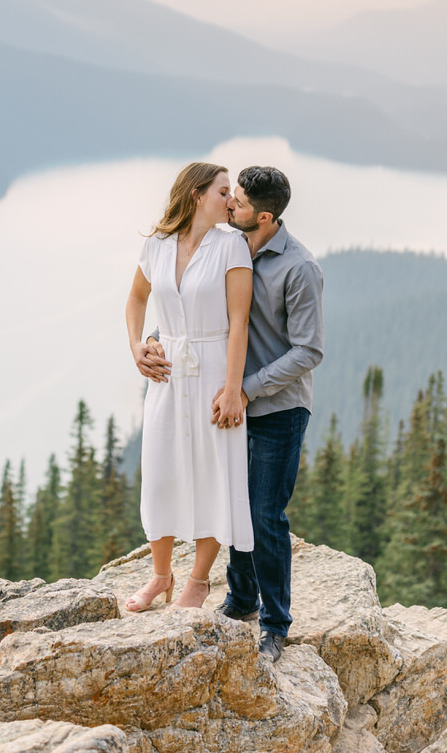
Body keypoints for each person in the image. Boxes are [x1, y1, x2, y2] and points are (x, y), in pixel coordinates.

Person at [137, 165, 322, 663]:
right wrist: (155, 340)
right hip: (223, 398)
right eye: (228, 195)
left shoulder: (298, 268)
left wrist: (243, 388)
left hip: (277, 405)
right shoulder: (225, 247)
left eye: (237, 202)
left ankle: (275, 624)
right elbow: (191, 308)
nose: (230, 205)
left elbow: (308, 351)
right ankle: (240, 599)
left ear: (262, 217)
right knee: (230, 499)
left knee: (263, 514)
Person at [123, 162, 255, 612]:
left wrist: (234, 389)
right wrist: (138, 345)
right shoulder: (158, 245)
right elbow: (136, 299)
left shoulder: (232, 246)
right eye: (223, 192)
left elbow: (240, 323)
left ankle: (197, 582)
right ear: (197, 195)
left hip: (215, 369)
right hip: (167, 373)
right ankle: (161, 577)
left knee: (210, 474)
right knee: (160, 475)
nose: (232, 201)